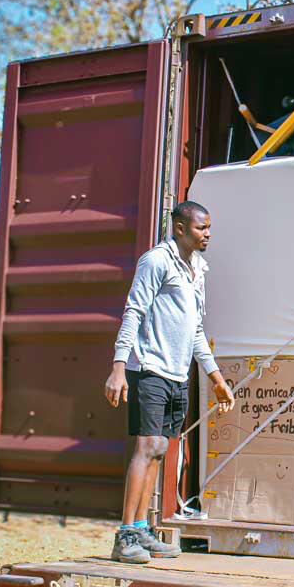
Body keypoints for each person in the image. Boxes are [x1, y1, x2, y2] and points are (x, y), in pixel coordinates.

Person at [104, 201, 235, 564]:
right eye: (201, 228)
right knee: (146, 447)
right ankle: (125, 535)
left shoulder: (198, 269)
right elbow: (134, 310)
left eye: (209, 228)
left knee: (161, 449)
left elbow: (194, 330)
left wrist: (216, 378)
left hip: (178, 374)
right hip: (149, 369)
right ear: (179, 228)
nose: (207, 234)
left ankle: (143, 530)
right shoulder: (156, 261)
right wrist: (118, 367)